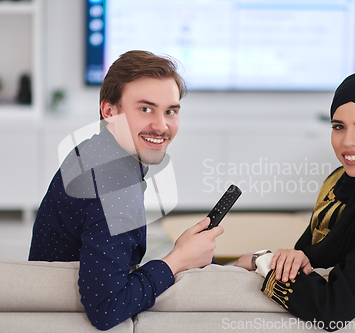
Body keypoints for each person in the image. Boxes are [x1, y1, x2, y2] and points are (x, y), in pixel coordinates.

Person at [29, 50, 224, 331]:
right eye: (145, 109)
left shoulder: (95, 150)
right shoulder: (115, 185)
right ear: (110, 111)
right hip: (60, 316)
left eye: (170, 111)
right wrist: (178, 259)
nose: (161, 125)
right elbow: (106, 309)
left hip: (45, 293)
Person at [235, 71, 355, 331]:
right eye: (338, 127)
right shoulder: (339, 180)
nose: (347, 142)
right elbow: (303, 253)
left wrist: (262, 261)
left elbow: (334, 310)